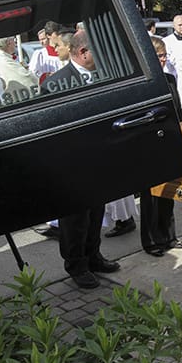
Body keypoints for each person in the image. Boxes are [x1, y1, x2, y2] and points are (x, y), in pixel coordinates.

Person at [51, 30, 120, 288]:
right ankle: (76, 264)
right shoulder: (56, 82)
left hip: (99, 157)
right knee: (75, 219)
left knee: (96, 212)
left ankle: (93, 255)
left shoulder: (103, 76)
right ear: (83, 52)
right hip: (73, 161)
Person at [138, 35, 182, 256]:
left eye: (165, 55)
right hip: (148, 144)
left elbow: (177, 109)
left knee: (169, 192)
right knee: (151, 196)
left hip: (169, 139)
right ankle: (151, 240)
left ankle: (168, 235)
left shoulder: (169, 79)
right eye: (159, 56)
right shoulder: (141, 82)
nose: (163, 59)